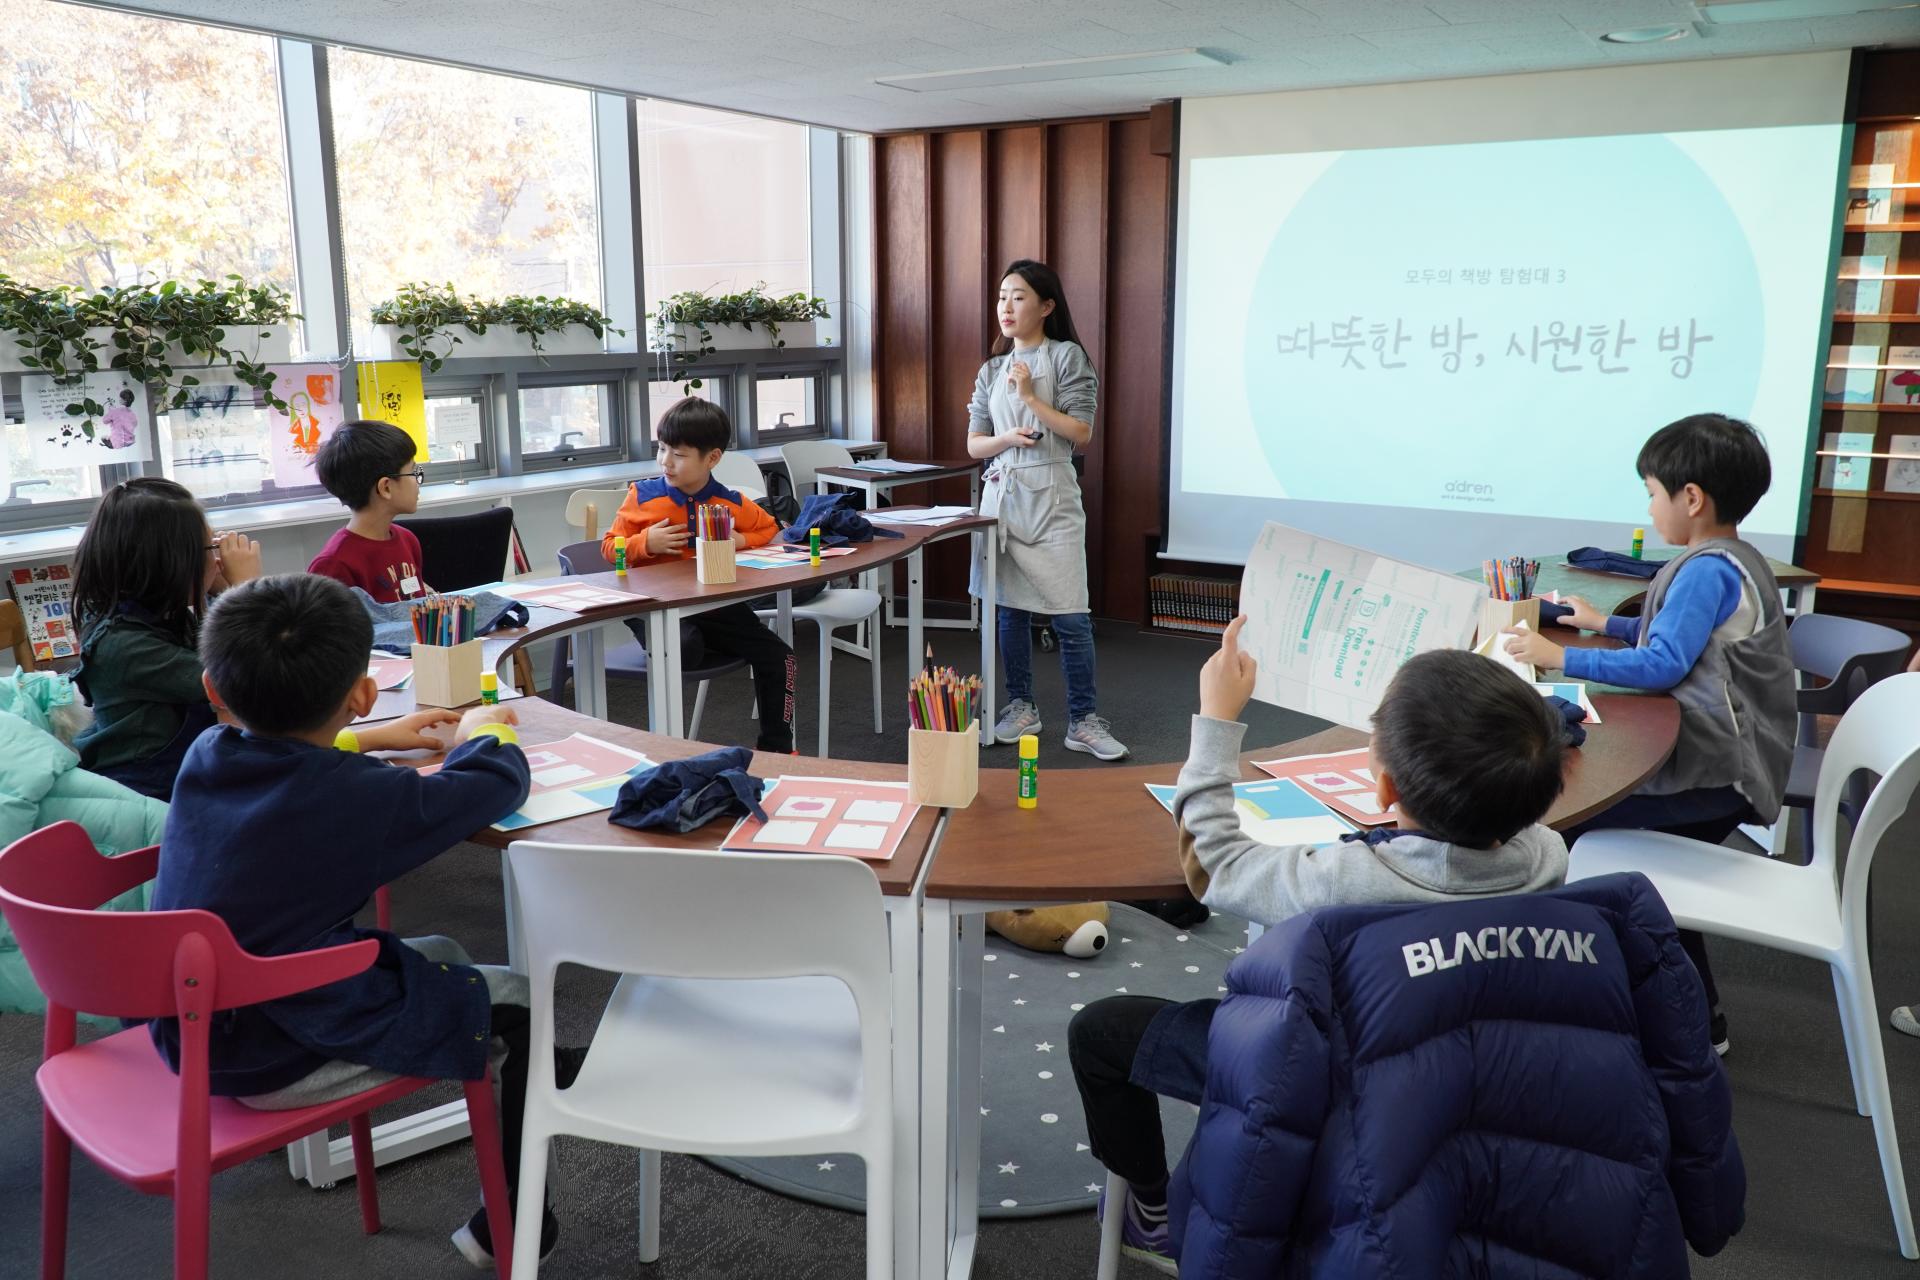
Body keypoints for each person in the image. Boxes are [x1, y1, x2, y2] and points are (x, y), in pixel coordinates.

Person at [1069, 625, 1571, 1272]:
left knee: (1100, 1033)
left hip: (1327, 1082)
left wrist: (1216, 720)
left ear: (1384, 791)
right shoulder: (1548, 858)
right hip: (1465, 1078)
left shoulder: (1341, 884)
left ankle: (1154, 1214)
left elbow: (1214, 863)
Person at [149, 572, 572, 1268]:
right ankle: (518, 1228)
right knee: (520, 1007)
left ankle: (544, 1076)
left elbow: (292, 765)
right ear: (363, 692)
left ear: (213, 689)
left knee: (444, 953)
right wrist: (485, 731)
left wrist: (365, 739)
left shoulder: (205, 756)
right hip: (274, 1054)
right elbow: (494, 785)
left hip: (193, 1028)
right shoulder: (354, 801)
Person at [1504, 412, 1795, 1056]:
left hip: (1719, 776)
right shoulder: (1733, 560)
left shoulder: (1705, 570)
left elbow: (1663, 662)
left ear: (1690, 498)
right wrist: (1602, 622)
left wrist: (1559, 656)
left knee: (1566, 828)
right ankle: (1694, 1015)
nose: (1649, 506)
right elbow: (1675, 635)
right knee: (1628, 854)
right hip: (1731, 765)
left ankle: (1656, 1009)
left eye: (1652, 492)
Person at [968, 258, 1127, 761]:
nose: (1006, 307)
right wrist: (1007, 439)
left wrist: (1031, 399)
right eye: (1002, 297)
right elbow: (974, 444)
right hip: (1003, 497)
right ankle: (1021, 707)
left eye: (1018, 297)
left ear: (1046, 306)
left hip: (1053, 496)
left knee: (1071, 615)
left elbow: (1082, 432)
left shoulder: (1066, 357)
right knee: (1009, 610)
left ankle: (1083, 721)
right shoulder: (991, 368)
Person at [600, 397, 797, 753]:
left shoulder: (729, 501)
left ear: (712, 458)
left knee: (781, 657)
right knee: (686, 651)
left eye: (678, 454)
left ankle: (778, 751)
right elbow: (609, 547)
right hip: (654, 606)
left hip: (712, 604)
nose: (665, 461)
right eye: (662, 449)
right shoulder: (641, 496)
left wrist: (740, 540)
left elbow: (770, 529)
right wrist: (645, 543)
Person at [71, 477, 262, 800]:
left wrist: (224, 593)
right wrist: (247, 593)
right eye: (209, 549)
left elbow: (225, 650)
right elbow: (242, 678)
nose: (218, 561)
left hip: (184, 772)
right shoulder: (124, 646)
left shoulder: (160, 612)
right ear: (167, 562)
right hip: (147, 791)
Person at [308, 418, 430, 603]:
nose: (418, 481)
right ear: (386, 487)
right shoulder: (333, 566)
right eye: (413, 472)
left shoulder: (408, 540)